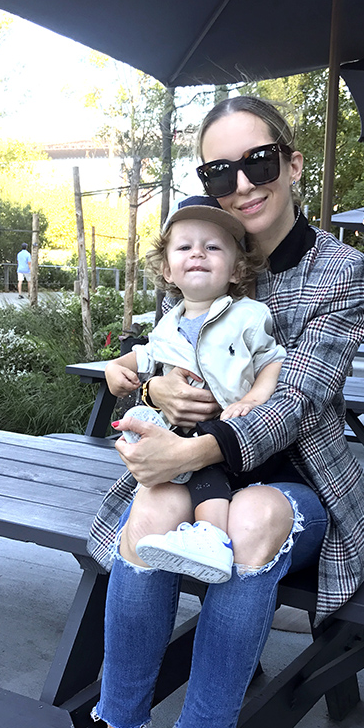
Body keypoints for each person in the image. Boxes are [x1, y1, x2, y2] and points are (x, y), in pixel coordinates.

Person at [84, 96, 364, 728]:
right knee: (148, 514)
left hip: (299, 485)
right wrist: (156, 395)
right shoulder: (200, 250)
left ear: (292, 162)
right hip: (191, 473)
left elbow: (299, 399)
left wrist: (191, 452)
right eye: (220, 171)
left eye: (258, 162)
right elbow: (160, 358)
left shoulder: (344, 273)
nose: (242, 184)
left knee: (249, 517)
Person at [104, 195, 286, 584]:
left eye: (213, 247)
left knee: (202, 458)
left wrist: (255, 397)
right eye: (184, 247)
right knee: (155, 432)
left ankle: (213, 538)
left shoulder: (247, 315)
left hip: (229, 431)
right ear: (168, 270)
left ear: (236, 270)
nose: (198, 254)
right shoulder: (167, 326)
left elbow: (272, 360)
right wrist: (116, 367)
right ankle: (152, 446)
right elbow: (144, 356)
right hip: (180, 431)